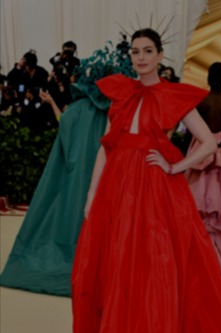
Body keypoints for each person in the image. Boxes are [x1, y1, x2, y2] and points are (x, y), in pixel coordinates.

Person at [63, 28, 221, 333]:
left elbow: (208, 143)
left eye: (147, 51)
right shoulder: (121, 95)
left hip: (153, 192)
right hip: (115, 190)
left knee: (151, 270)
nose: (140, 57)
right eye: (135, 52)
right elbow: (106, 149)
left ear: (159, 55)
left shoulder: (172, 95)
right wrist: (91, 197)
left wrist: (175, 166)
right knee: (109, 268)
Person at [0, 41, 134, 295]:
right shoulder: (119, 111)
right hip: (110, 178)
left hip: (75, 181)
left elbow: (64, 136)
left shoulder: (76, 110)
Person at [185, 62, 221, 308]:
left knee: (201, 212)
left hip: (202, 153)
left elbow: (191, 132)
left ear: (208, 78)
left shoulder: (201, 101)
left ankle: (202, 267)